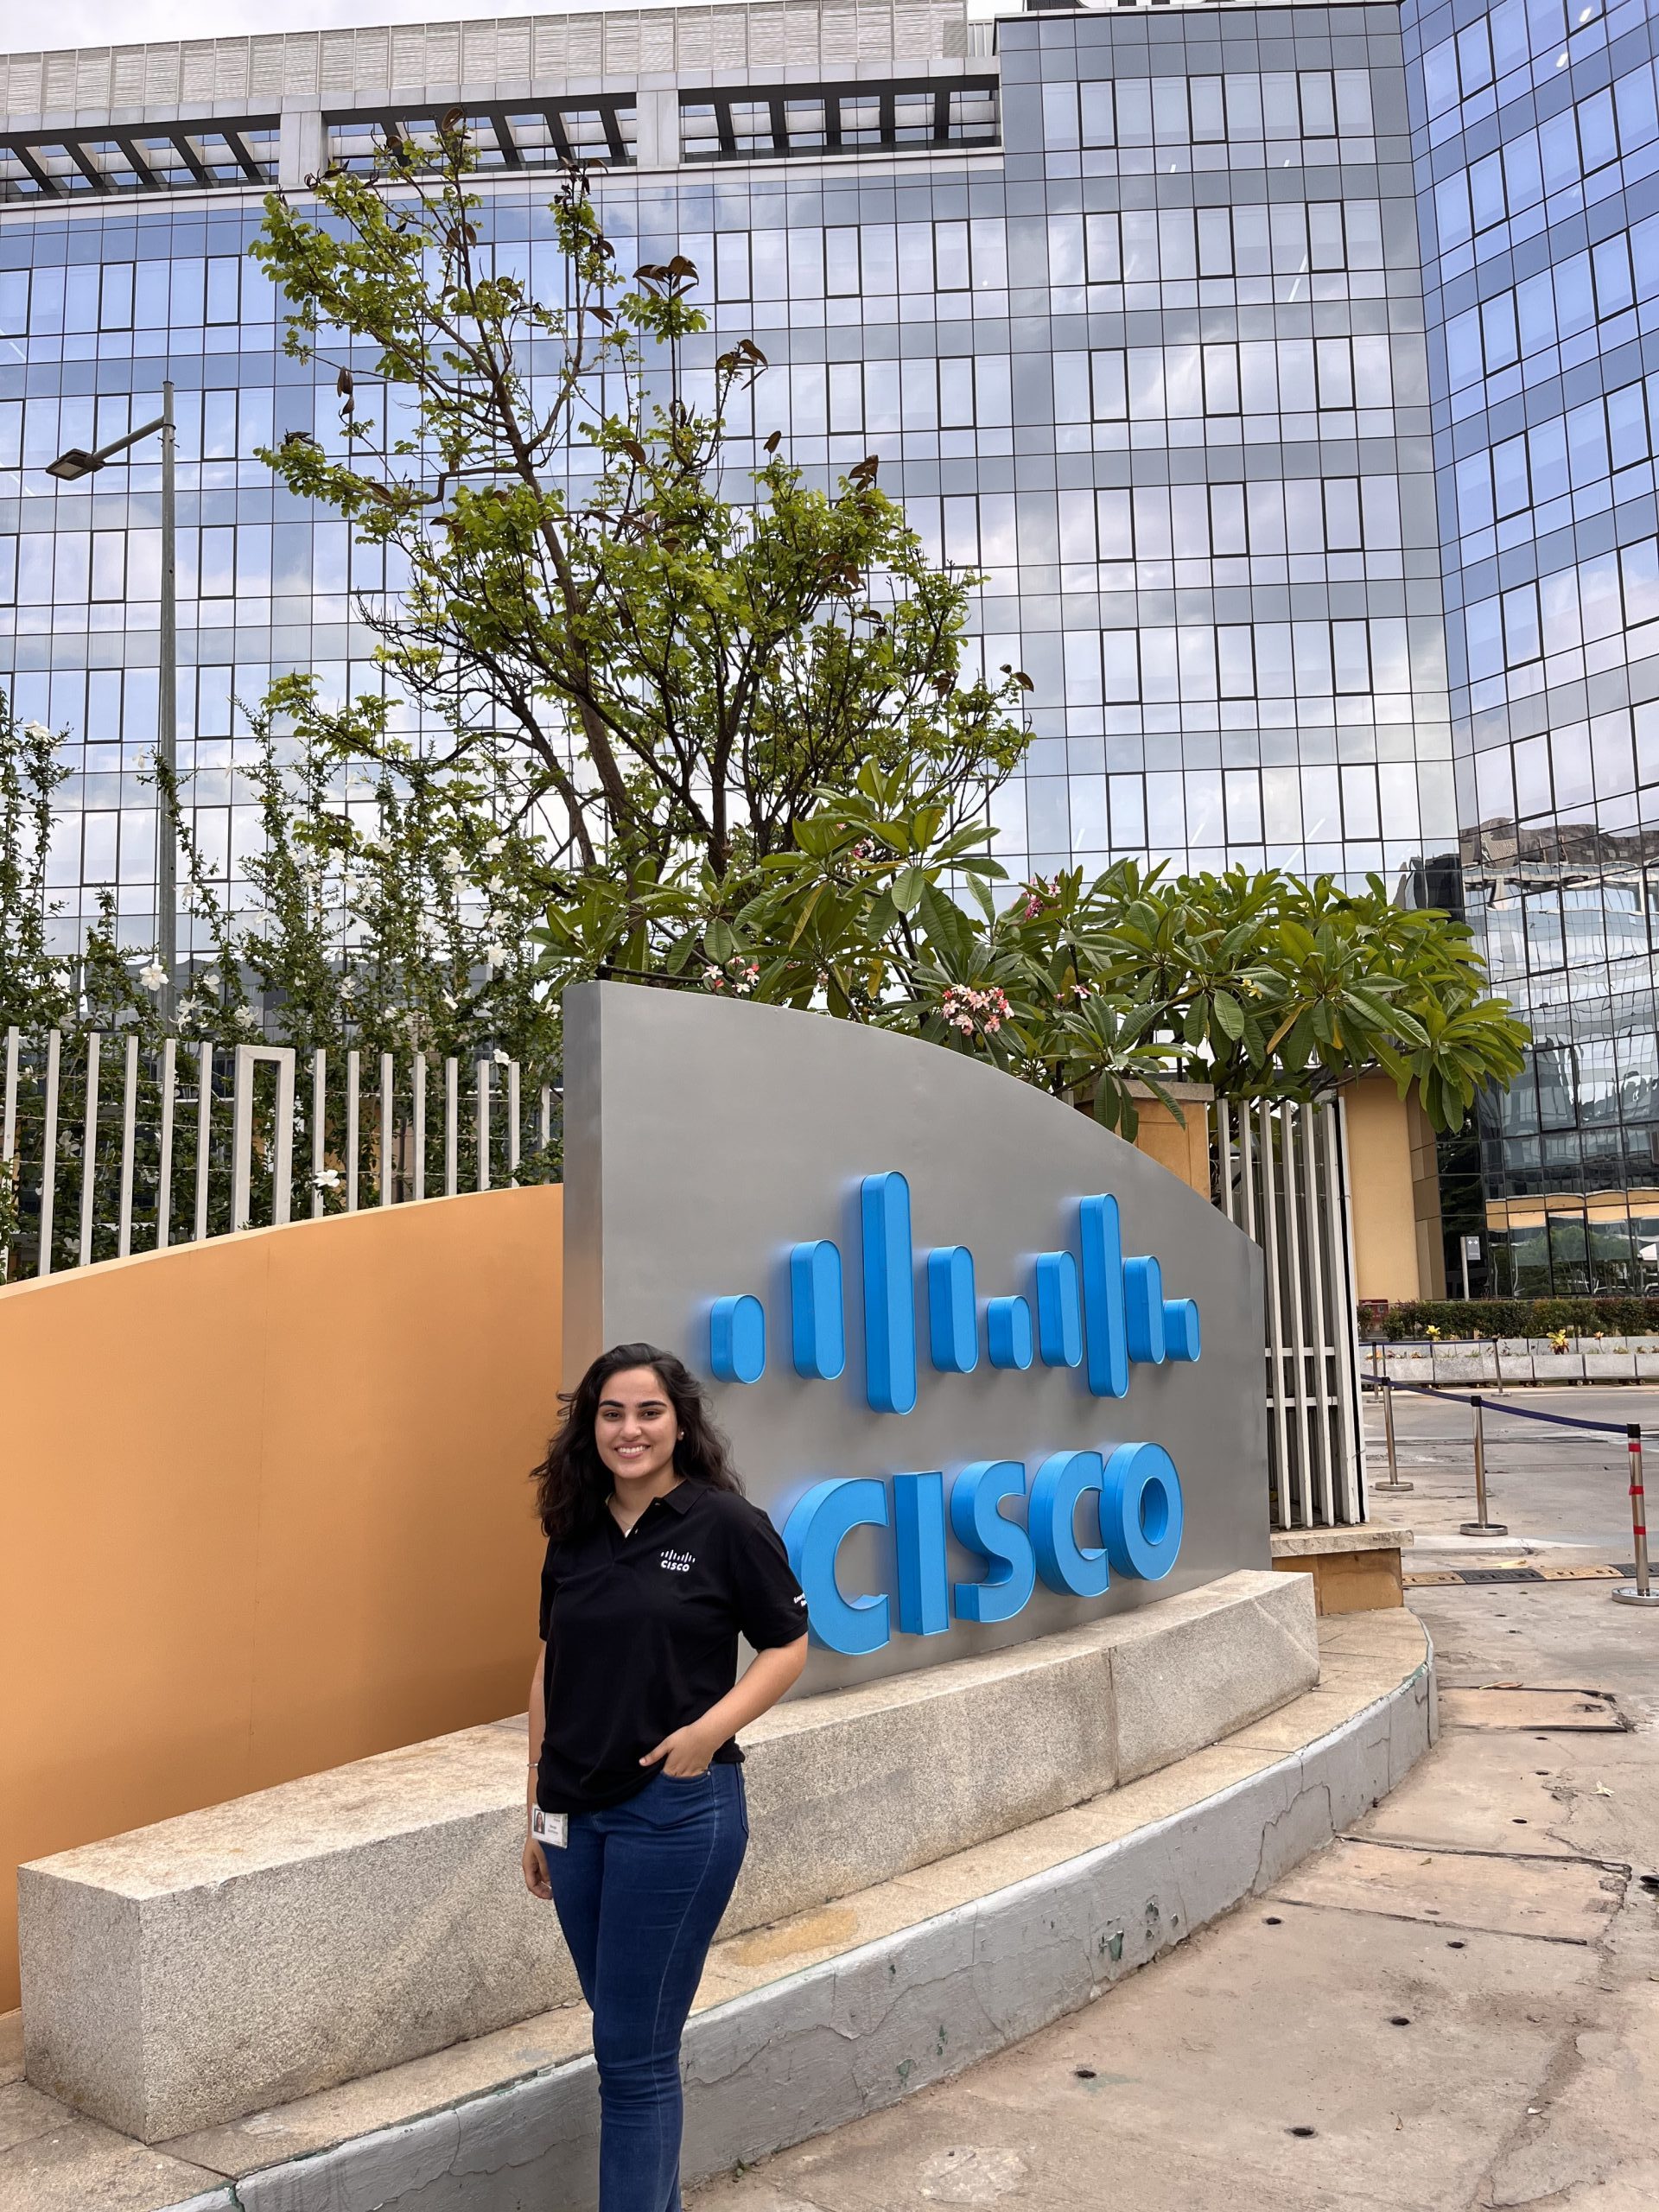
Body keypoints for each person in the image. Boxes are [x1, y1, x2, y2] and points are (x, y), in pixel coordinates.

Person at [524, 1341, 809, 2212]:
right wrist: (533, 1806)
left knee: (633, 2056)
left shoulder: (723, 1525)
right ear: (591, 1426)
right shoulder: (571, 1532)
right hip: (575, 1815)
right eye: (611, 1412)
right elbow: (547, 1665)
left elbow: (789, 1643)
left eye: (648, 1410)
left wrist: (707, 1731)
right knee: (625, 2043)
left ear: (680, 1422)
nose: (630, 1428)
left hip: (674, 1813)